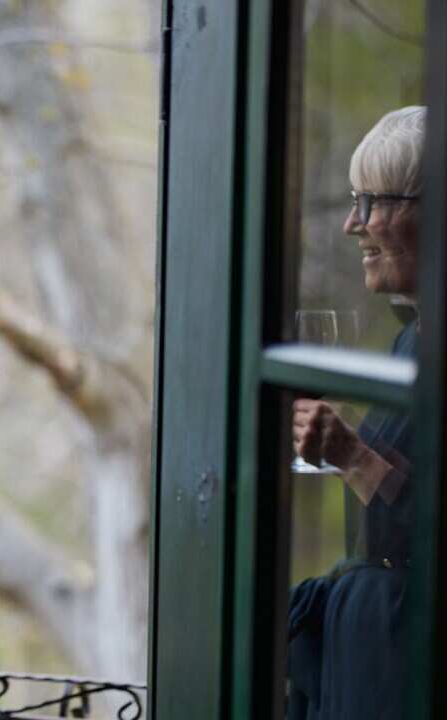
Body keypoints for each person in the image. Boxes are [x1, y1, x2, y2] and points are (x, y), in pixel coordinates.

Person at [287, 105, 423, 720]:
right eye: (352, 199)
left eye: (370, 201)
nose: (351, 224)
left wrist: (350, 455)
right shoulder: (414, 340)